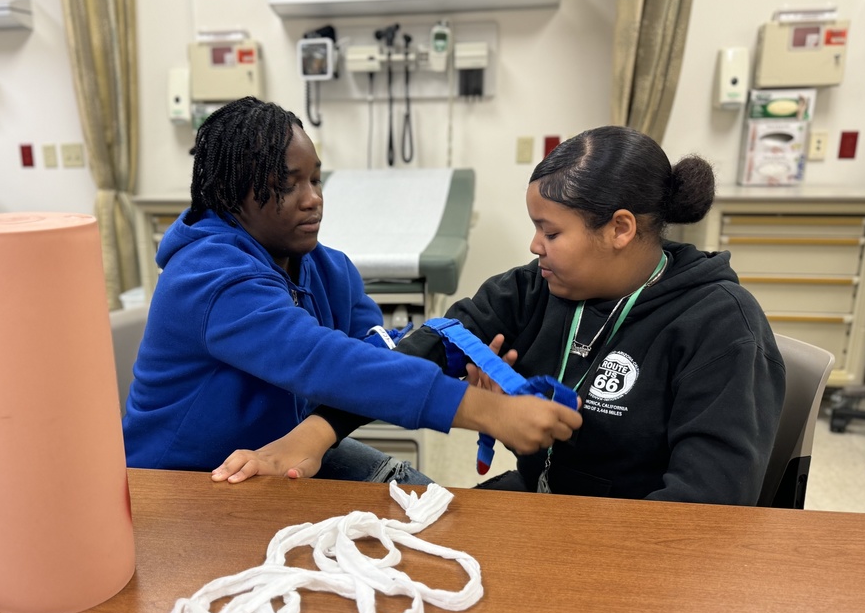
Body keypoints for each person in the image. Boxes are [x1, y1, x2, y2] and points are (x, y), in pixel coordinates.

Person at [212, 125, 787, 507]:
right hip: (539, 504)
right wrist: (315, 434)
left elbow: (707, 503)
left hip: (639, 550)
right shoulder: (530, 290)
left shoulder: (720, 324)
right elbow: (418, 351)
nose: (535, 247)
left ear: (619, 228)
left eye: (551, 231)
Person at [123, 97, 582, 480]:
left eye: (316, 178)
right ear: (231, 195)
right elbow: (323, 361)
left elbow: (375, 352)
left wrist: (462, 363)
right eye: (288, 185)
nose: (313, 198)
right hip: (181, 481)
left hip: (272, 456)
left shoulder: (327, 268)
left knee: (421, 498)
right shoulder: (207, 277)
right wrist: (484, 411)